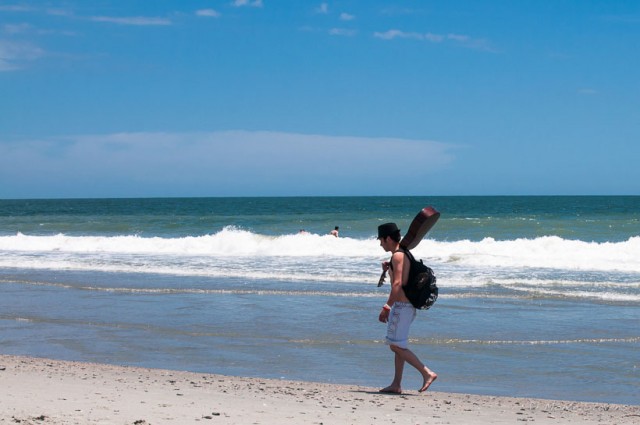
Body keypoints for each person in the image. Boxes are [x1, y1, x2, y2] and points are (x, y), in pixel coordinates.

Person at [377, 222, 438, 394]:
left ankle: (427, 373)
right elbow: (402, 280)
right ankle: (396, 384)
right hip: (408, 306)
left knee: (395, 346)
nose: (380, 244)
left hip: (401, 306)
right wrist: (388, 270)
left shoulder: (397, 256)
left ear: (388, 238)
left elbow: (397, 285)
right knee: (399, 345)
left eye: (381, 240)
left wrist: (387, 306)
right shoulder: (403, 254)